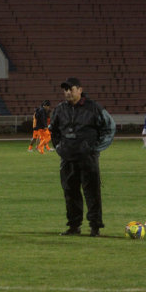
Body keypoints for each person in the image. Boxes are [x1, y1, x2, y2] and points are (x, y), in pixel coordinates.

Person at [50, 77, 115, 237]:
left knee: (92, 192)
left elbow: (109, 127)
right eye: (65, 90)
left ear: (80, 90)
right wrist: (59, 147)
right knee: (70, 193)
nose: (67, 92)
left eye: (70, 89)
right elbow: (54, 130)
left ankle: (95, 227)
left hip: (88, 158)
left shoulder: (94, 108)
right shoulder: (59, 109)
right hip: (67, 158)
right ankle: (74, 226)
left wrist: (95, 149)